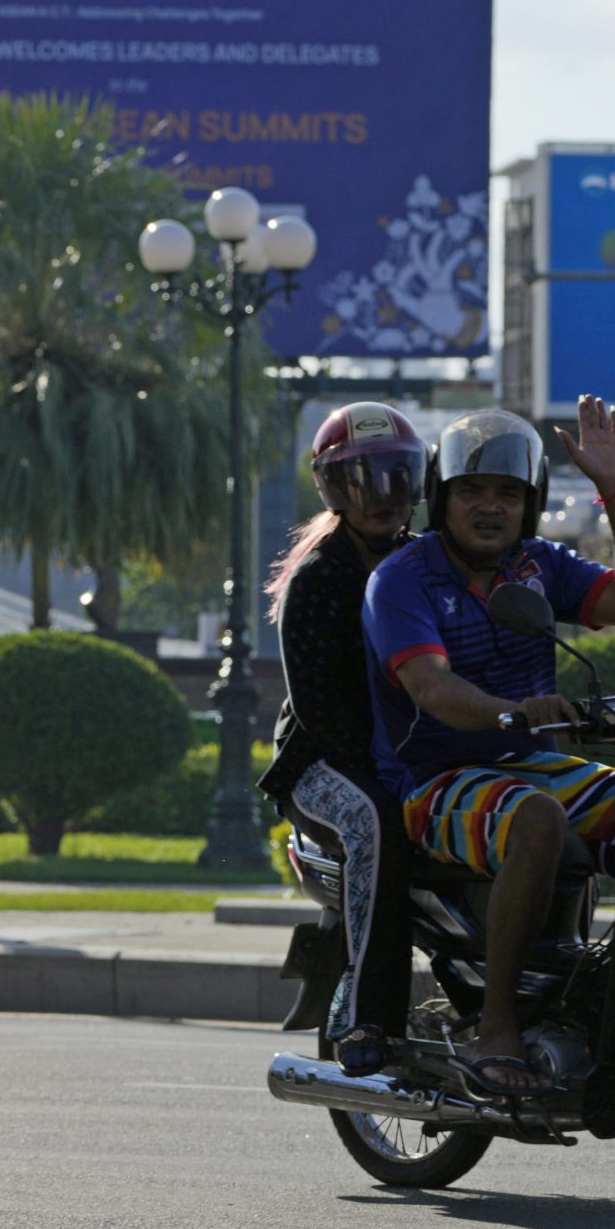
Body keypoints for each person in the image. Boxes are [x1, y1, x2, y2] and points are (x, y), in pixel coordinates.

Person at [361, 401, 615, 1097]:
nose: (489, 507)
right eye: (472, 490)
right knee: (535, 818)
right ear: (443, 496)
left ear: (529, 506)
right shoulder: (403, 579)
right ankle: (495, 1025)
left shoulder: (539, 565)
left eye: (508, 493)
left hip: (530, 763)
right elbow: (432, 687)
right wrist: (511, 710)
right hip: (434, 777)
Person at [257, 402, 427, 1074]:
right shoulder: (317, 578)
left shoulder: (426, 561)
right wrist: (395, 766)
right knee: (375, 823)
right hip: (325, 762)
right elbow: (324, 713)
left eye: (395, 476)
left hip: (416, 753)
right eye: (362, 479)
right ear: (334, 488)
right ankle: (364, 1010)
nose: (382, 496)